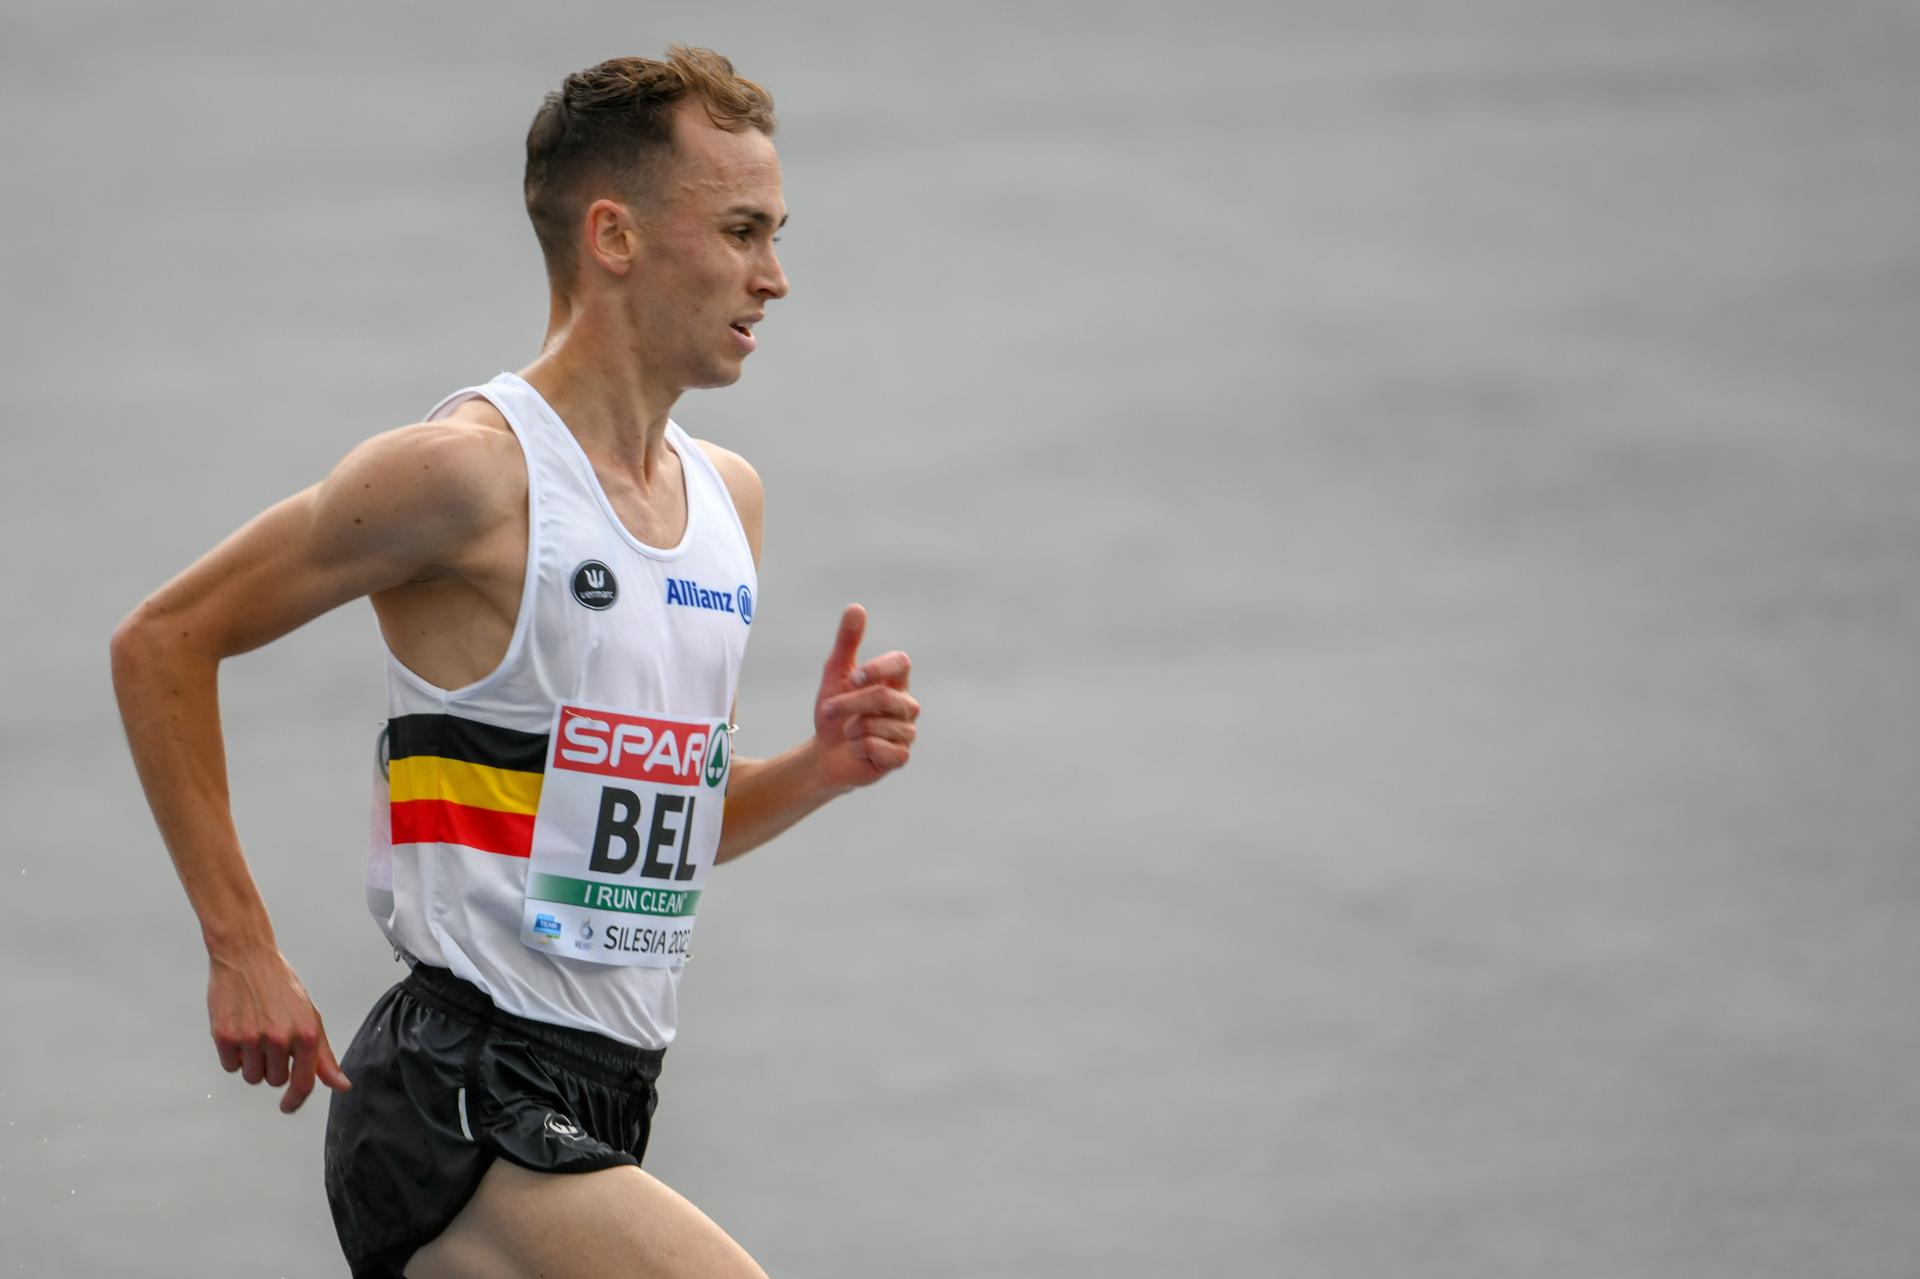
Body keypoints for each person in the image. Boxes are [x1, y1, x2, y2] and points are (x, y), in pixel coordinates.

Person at [109, 47, 919, 1278]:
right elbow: (165, 639)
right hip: (457, 1094)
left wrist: (814, 769)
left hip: (609, 1097)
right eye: (744, 230)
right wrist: (241, 946)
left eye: (779, 231)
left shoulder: (726, 504)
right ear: (615, 235)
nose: (777, 277)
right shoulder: (467, 477)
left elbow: (637, 834)